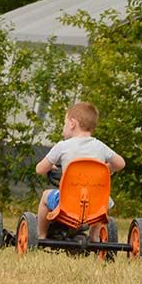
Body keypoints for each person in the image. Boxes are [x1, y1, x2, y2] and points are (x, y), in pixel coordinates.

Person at [35, 102, 125, 239]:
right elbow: (121, 164)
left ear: (72, 123)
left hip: (68, 203)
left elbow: (40, 169)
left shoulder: (62, 146)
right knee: (101, 203)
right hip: (97, 204)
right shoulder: (100, 146)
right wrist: (108, 168)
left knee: (45, 196)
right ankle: (94, 238)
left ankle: (41, 235)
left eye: (64, 124)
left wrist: (50, 166)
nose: (63, 128)